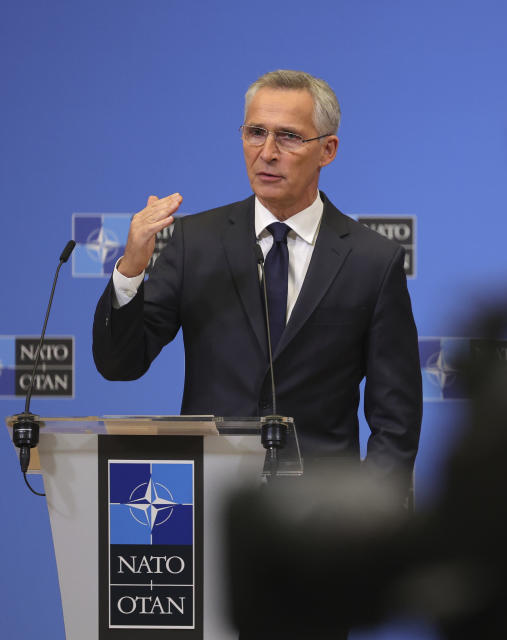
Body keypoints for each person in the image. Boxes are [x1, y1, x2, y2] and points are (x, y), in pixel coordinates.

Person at [92, 70, 422, 492]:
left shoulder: (373, 260)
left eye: (288, 136)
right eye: (255, 132)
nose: (266, 152)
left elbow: (396, 417)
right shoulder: (196, 242)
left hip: (323, 518)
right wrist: (131, 268)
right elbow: (120, 364)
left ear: (328, 150)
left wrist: (368, 518)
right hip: (209, 503)